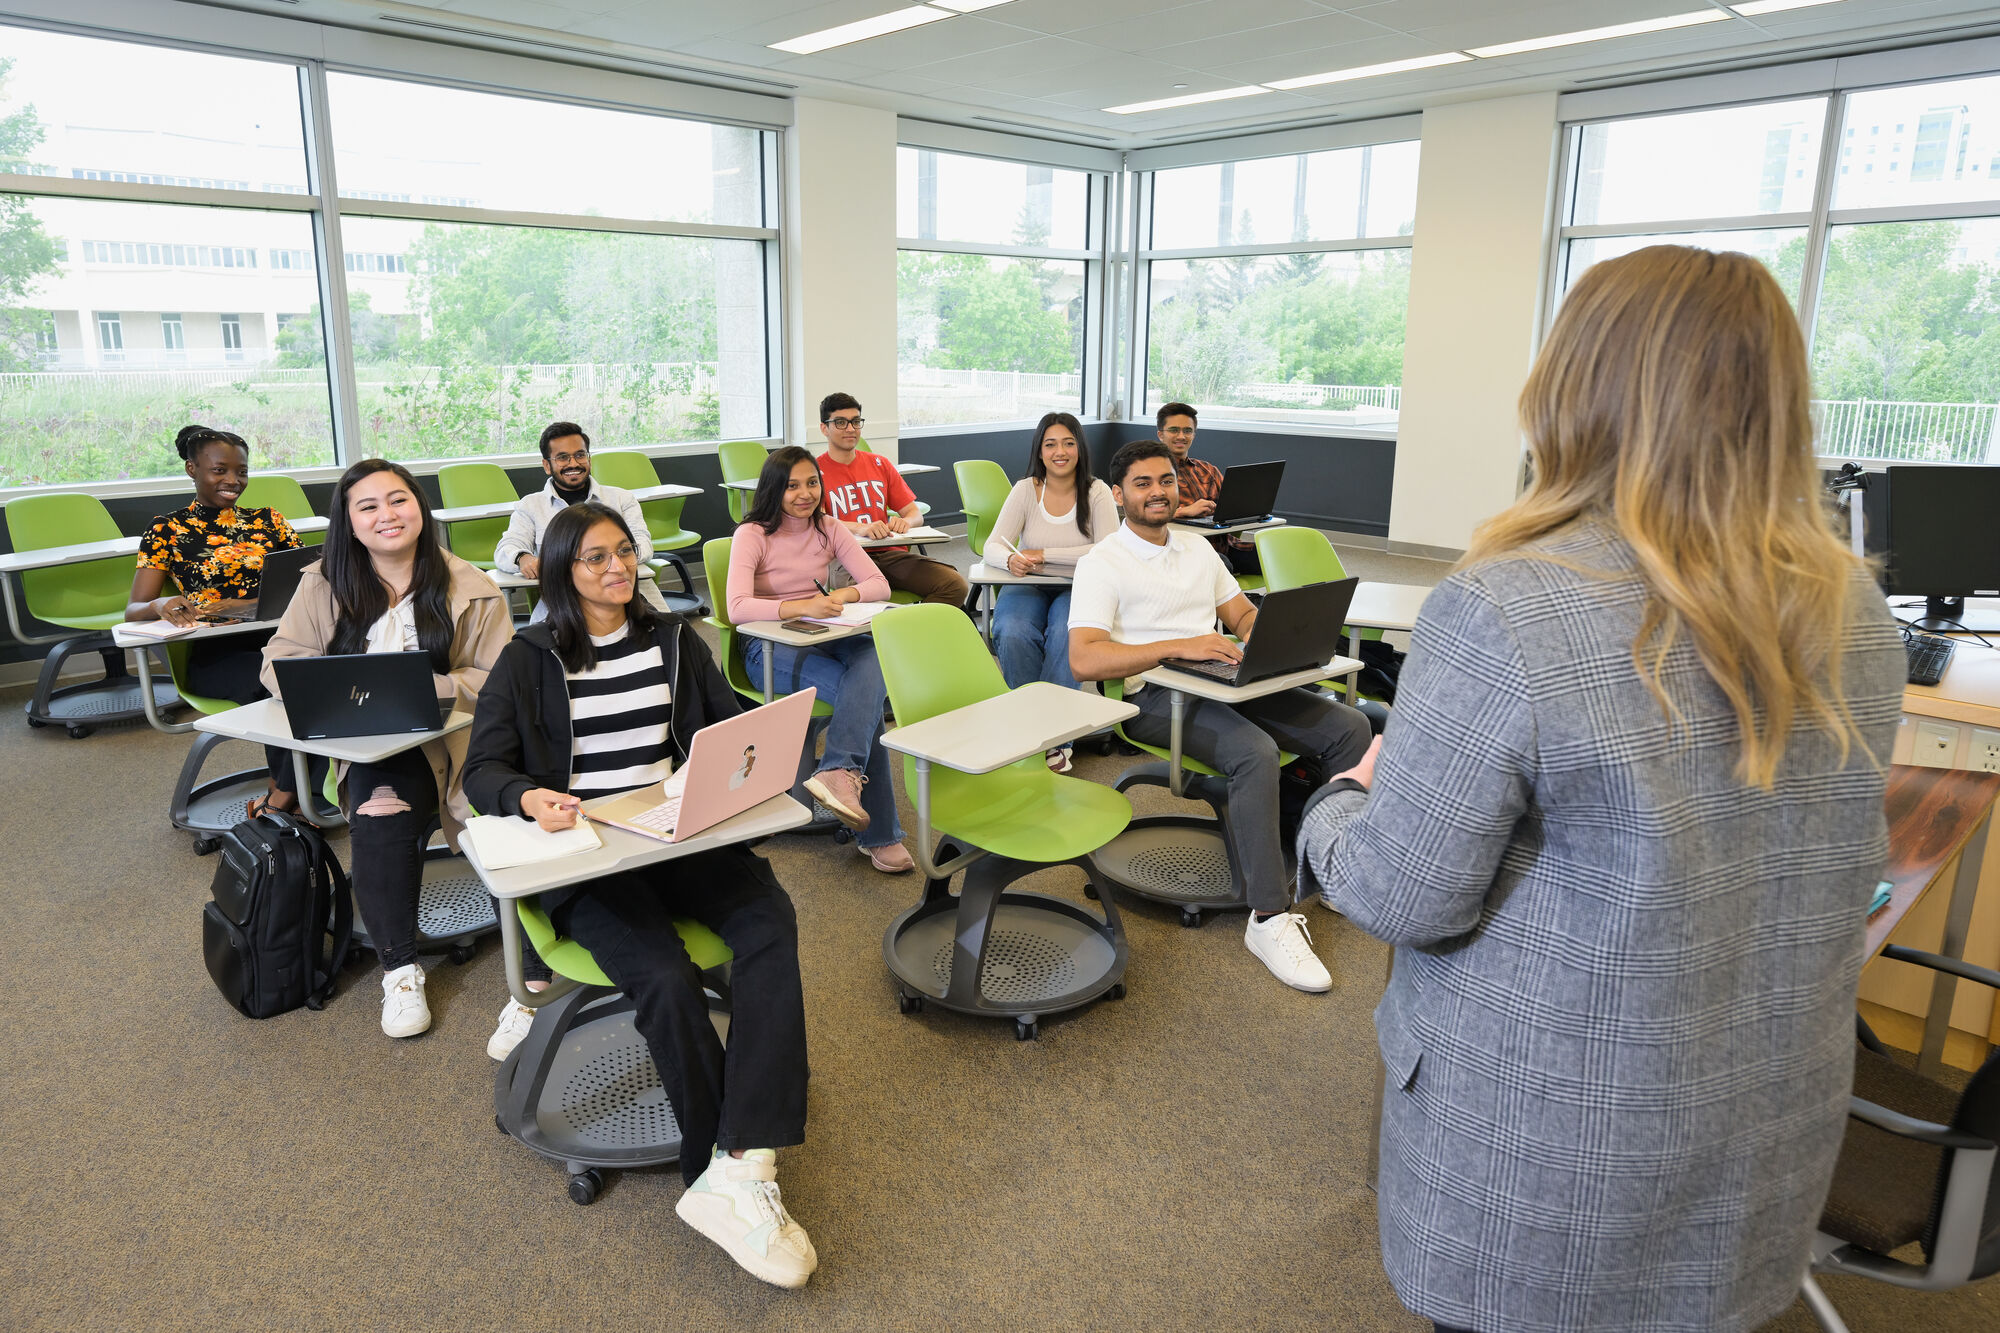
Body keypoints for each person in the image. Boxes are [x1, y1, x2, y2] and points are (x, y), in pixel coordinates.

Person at [1296, 246, 1905, 1333]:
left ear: (1572, 386)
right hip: (1756, 1128)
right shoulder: (1853, 609)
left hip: (1548, 1155)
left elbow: (1404, 898)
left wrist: (1338, 800)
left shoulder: (1508, 605)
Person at [464, 501, 816, 1289]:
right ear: (562, 571)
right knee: (662, 974)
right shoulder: (528, 659)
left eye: (624, 552)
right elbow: (481, 770)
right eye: (594, 558)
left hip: (674, 831)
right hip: (586, 852)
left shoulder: (671, 639)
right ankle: (714, 1166)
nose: (616, 568)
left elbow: (724, 731)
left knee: (769, 922)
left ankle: (745, 1158)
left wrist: (750, 763)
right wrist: (529, 797)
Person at [1068, 440, 1371, 991]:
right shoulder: (1101, 564)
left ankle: (1328, 867)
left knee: (1349, 727)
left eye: (1165, 481)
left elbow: (1241, 614)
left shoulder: (1199, 550)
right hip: (1153, 697)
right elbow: (1085, 656)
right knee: (1253, 752)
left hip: (1224, 681)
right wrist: (1179, 646)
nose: (1158, 491)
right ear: (1118, 495)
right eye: (1143, 483)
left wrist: (1271, 640)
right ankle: (1268, 918)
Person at [261, 458, 514, 1039]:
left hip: (457, 740)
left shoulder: (473, 587)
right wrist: (330, 690)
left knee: (498, 821)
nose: (386, 515)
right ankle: (400, 971)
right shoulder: (322, 581)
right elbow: (279, 662)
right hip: (368, 746)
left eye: (398, 500)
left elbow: (503, 680)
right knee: (380, 814)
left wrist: (442, 687)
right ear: (349, 522)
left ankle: (536, 976)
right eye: (368, 506)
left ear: (420, 508)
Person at [726, 445, 914, 874]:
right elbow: (736, 607)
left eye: (812, 482)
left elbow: (878, 584)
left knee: (874, 660)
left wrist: (839, 596)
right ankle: (880, 834)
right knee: (861, 704)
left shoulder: (828, 527)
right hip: (767, 645)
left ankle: (838, 772)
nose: (804, 493)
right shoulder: (751, 534)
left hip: (827, 632)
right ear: (774, 489)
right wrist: (800, 606)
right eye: (792, 485)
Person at [127, 424, 306, 817]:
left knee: (327, 672)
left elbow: (310, 580)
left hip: (282, 639)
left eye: (241, 471)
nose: (233, 480)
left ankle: (317, 788)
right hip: (215, 656)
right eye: (220, 470)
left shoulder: (269, 520)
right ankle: (281, 800)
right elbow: (134, 609)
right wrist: (160, 606)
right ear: (192, 469)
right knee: (279, 683)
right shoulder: (166, 529)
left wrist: (245, 604)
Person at [981, 410, 1118, 773]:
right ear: (1040, 451)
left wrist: (1044, 555)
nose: (1061, 451)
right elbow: (993, 545)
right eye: (1051, 444)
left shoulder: (1097, 491)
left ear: (1080, 449)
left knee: (1065, 635)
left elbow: (1108, 550)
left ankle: (1058, 737)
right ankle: (1029, 727)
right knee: (1011, 631)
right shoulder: (1026, 489)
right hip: (1028, 583)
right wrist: (1011, 561)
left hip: (1081, 585)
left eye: (1069, 443)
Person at [813, 391, 968, 607]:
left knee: (954, 585)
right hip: (845, 558)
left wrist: (905, 522)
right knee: (866, 605)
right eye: (840, 422)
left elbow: (914, 514)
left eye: (855, 421)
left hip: (889, 552)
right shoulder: (814, 471)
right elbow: (816, 520)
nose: (850, 428)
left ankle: (908, 635)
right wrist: (860, 528)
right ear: (824, 428)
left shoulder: (880, 463)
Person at [493, 420, 663, 614]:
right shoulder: (531, 506)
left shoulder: (621, 498)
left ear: (589, 459)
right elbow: (505, 550)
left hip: (624, 590)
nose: (573, 463)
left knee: (669, 635)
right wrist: (522, 558)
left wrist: (608, 562)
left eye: (580, 455)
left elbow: (644, 545)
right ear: (547, 465)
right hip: (563, 601)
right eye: (562, 458)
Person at [1157, 401, 1259, 576]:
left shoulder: (1207, 470)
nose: (1181, 436)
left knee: (1274, 557)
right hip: (1183, 551)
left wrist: (1247, 507)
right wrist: (1184, 511)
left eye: (1187, 431)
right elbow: (1141, 514)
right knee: (1222, 565)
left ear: (1194, 435)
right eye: (1174, 430)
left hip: (1225, 545)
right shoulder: (1153, 473)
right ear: (1160, 434)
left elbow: (1230, 505)